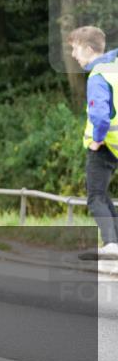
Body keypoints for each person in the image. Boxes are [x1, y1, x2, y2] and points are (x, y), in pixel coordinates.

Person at [68, 26, 118, 261]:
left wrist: (96, 141)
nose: (73, 55)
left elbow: (100, 116)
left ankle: (111, 245)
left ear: (88, 48)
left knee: (95, 196)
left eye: (75, 48)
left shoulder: (98, 75)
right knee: (103, 196)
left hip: (104, 145)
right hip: (116, 145)